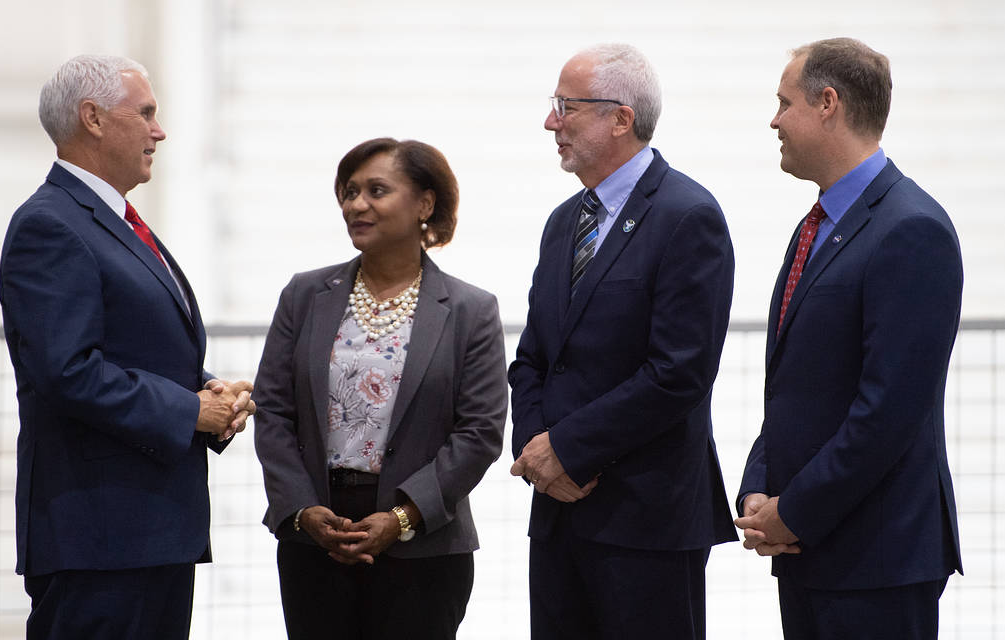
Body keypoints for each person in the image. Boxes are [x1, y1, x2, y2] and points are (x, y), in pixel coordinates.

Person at [0, 55, 256, 639]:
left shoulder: (110, 219)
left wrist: (207, 391)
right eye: (145, 114)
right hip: (101, 535)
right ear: (92, 118)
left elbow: (136, 349)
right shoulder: (52, 224)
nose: (158, 131)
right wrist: (189, 410)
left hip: (148, 528)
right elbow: (67, 371)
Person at [734, 38, 964, 640]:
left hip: (877, 562)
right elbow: (794, 383)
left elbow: (885, 413)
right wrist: (761, 486)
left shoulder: (911, 230)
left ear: (827, 103)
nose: (774, 120)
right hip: (812, 551)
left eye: (785, 103)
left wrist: (794, 511)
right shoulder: (817, 226)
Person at [508, 43, 737, 640]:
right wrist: (538, 455)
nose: (550, 122)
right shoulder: (564, 222)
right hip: (558, 512)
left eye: (566, 107)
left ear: (620, 117)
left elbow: (678, 373)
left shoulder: (688, 216)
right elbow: (534, 358)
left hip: (647, 523)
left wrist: (568, 449)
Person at [253, 137, 507, 639]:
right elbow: (275, 412)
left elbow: (479, 433)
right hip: (315, 537)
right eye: (349, 192)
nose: (356, 205)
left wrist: (403, 517)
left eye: (376, 190)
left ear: (425, 205)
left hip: (423, 542)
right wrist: (303, 511)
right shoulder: (305, 295)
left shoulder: (470, 311)